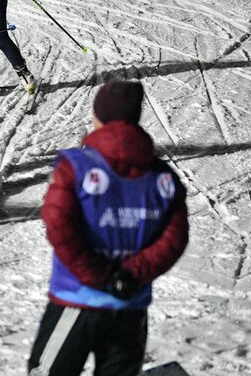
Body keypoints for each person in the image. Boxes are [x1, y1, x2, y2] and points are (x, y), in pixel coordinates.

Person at [28, 80, 189, 376]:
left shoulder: (75, 167)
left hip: (77, 299)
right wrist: (130, 275)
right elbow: (174, 239)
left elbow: (59, 225)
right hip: (128, 304)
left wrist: (97, 274)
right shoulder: (163, 178)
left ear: (98, 117)